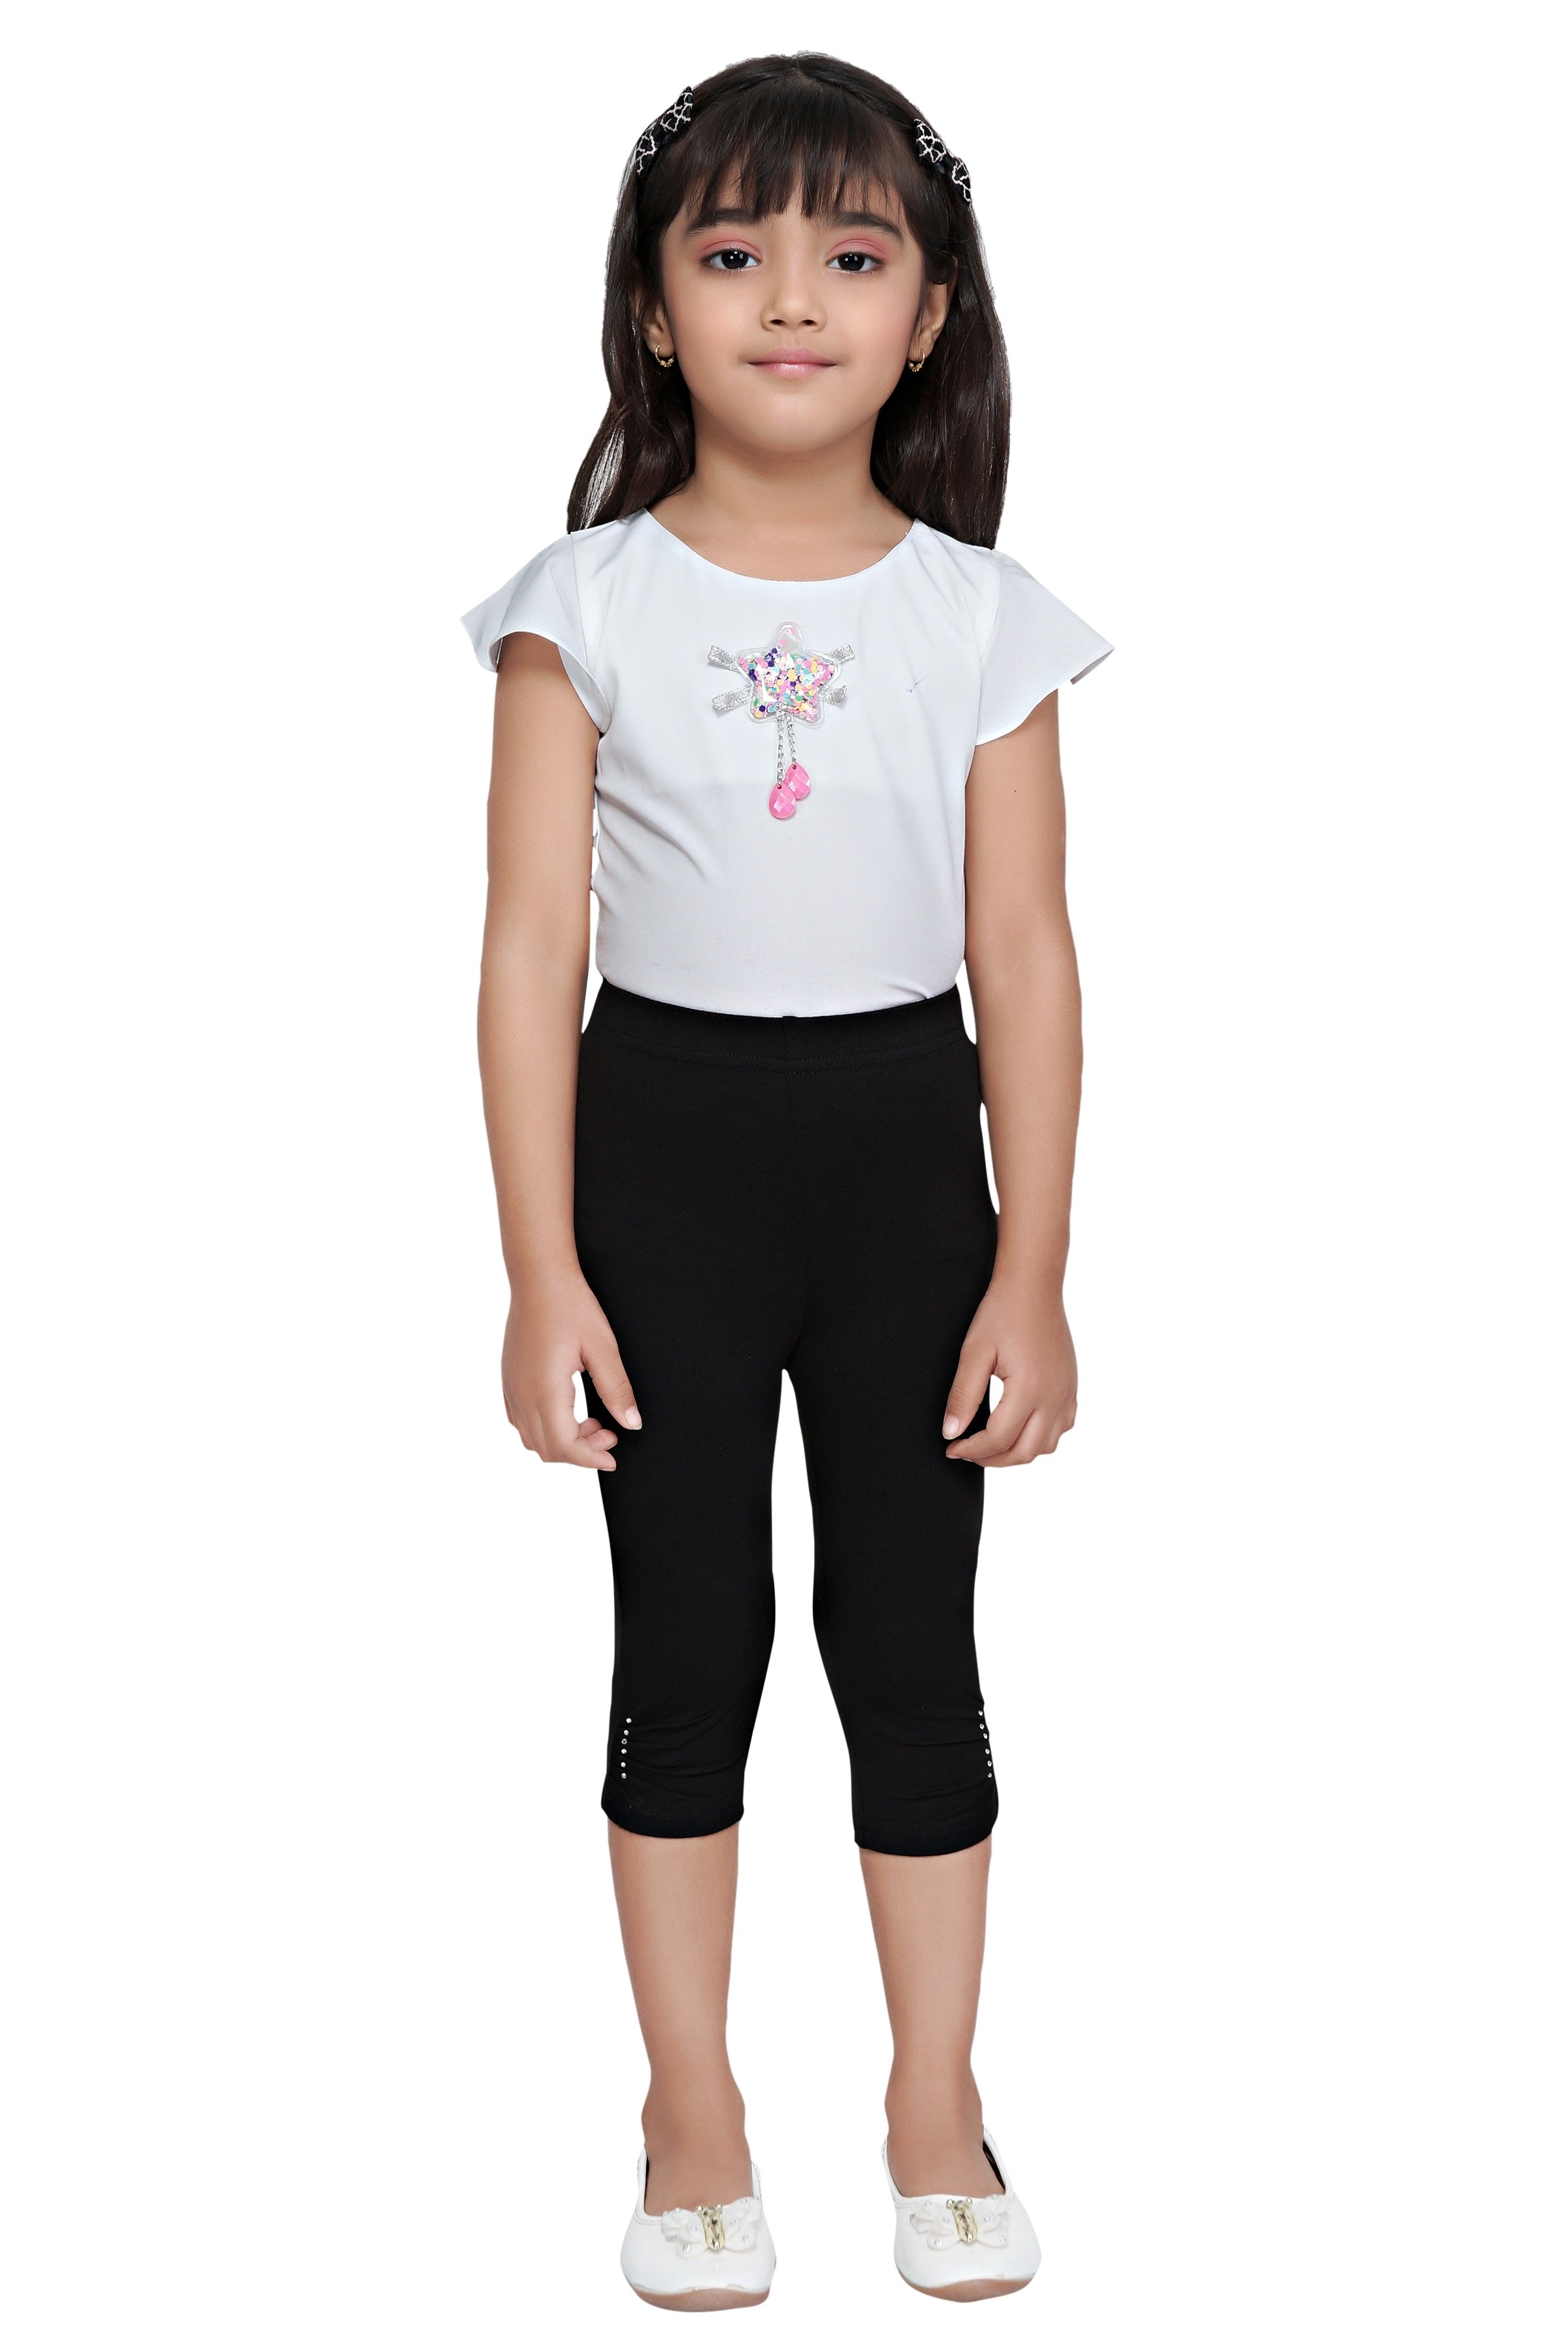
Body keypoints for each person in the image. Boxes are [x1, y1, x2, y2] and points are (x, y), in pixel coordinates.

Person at [463, 52, 1111, 2309]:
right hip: (665, 1158)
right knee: (692, 1636)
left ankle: (935, 2098)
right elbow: (529, 954)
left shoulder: (982, 617)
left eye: (852, 255)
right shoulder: (578, 603)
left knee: (909, 1641)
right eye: (733, 254)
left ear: (929, 316)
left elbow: (1024, 955)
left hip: (904, 1165)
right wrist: (540, 1272)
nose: (793, 300)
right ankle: (693, 2106)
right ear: (656, 311)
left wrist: (1035, 1266)